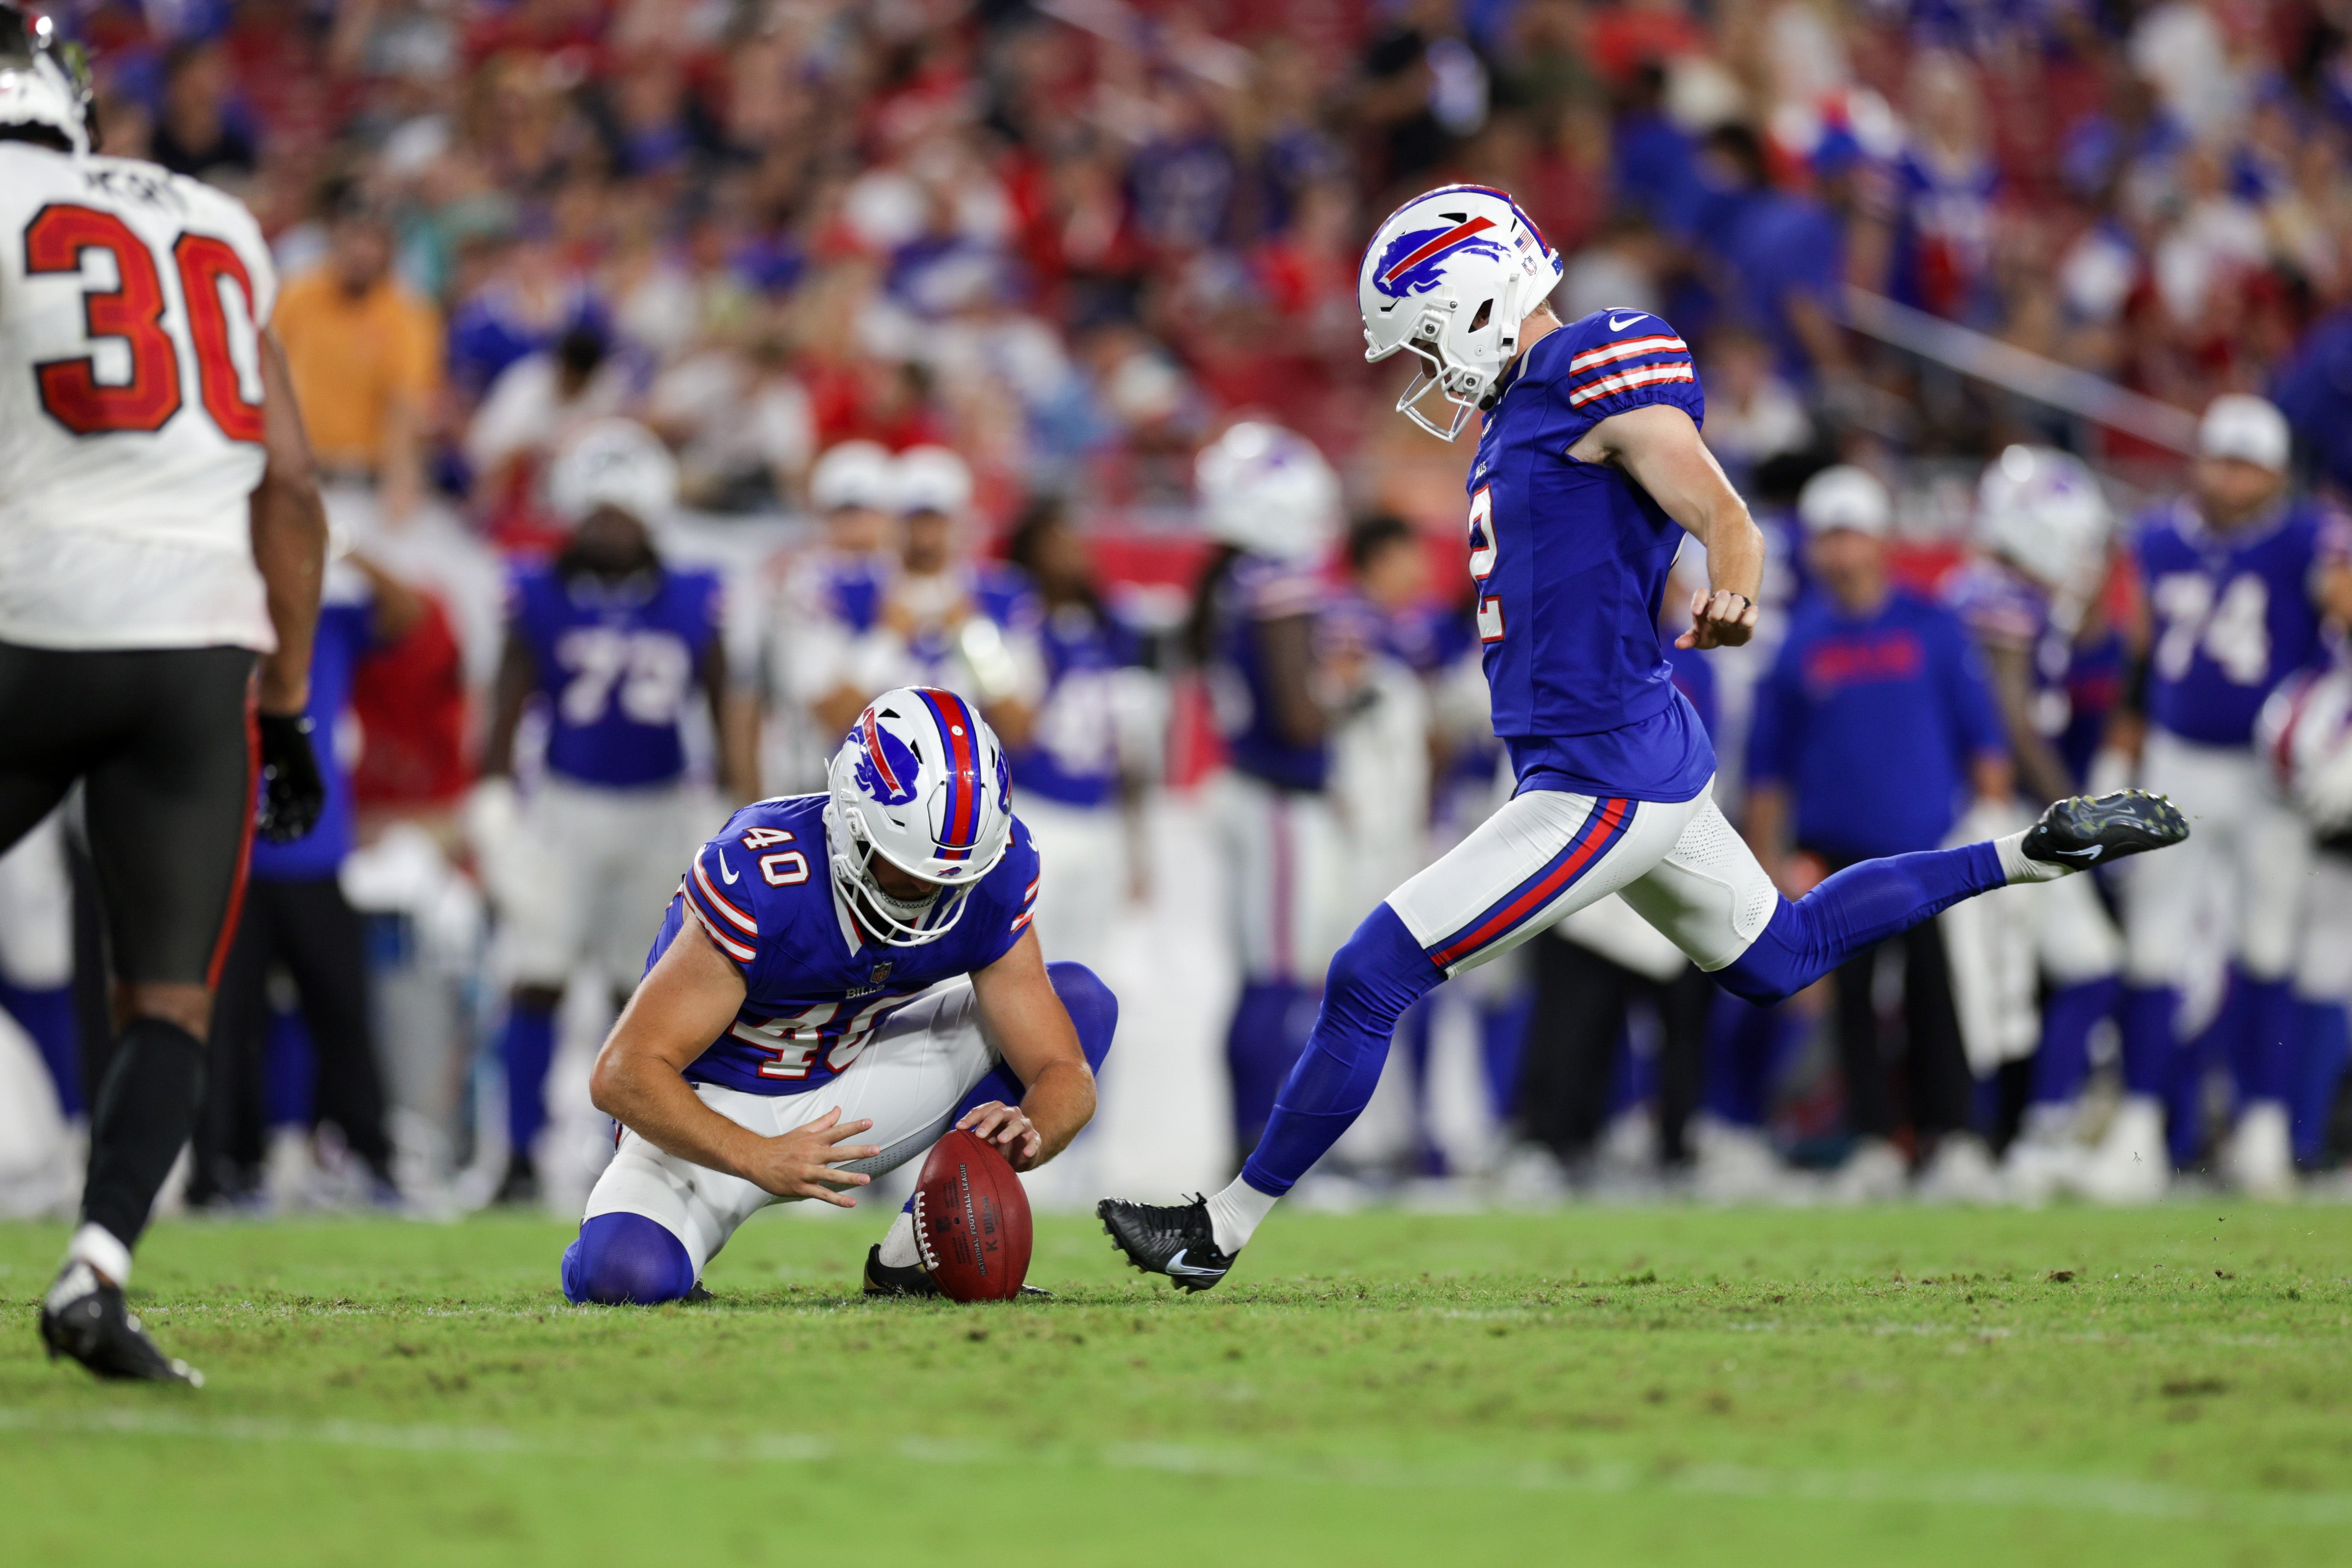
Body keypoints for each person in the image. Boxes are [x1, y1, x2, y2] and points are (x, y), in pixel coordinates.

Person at [1099, 183, 2189, 1288]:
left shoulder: (1591, 363)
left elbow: (1719, 505)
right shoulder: (1518, 414)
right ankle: (2034, 852)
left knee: (1372, 971)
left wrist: (1737, 582)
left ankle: (1220, 1228)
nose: (1425, 374)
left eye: (1425, 342)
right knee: (1783, 955)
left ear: (1476, 302)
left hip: (1599, 775)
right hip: (1614, 755)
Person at [0, 7, 327, 1381]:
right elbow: (294, 487)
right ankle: (98, 1270)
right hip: (200, 643)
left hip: (30, 616)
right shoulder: (215, 219)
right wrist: (290, 703)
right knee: (169, 1000)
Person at [558, 688, 1112, 1303]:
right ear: (852, 819)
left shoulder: (986, 870)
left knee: (1080, 999)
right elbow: (622, 1072)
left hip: (851, 1085)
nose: (926, 895)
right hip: (715, 1109)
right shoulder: (768, 875)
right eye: (907, 870)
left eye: (949, 877)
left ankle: (914, 1260)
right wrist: (755, 1153)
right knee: (624, 1277)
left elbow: (1062, 1071)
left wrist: (1029, 1130)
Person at [469, 420, 755, 1206]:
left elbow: (725, 703)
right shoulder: (535, 589)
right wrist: (492, 796)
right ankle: (518, 1156)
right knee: (536, 976)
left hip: (663, 808)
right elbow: (507, 696)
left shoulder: (698, 593)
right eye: (595, 511)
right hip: (563, 806)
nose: (607, 527)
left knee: (648, 993)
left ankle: (623, 1154)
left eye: (622, 513)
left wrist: (741, 809)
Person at [2087, 395, 2352, 1200]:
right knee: (2153, 944)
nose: (2229, 478)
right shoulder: (2160, 538)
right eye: (2220, 459)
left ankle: (2266, 1127)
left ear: (2275, 474)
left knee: (2268, 943)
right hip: (2176, 756)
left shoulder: (2310, 536)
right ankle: (2138, 1128)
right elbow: (2139, 654)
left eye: (2246, 465)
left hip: (2269, 772)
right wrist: (2118, 748)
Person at [1745, 465, 2013, 1201]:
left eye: (1849, 533)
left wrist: (1990, 828)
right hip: (1836, 855)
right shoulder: (1798, 643)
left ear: (1879, 539)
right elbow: (1766, 770)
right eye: (1826, 536)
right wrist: (1767, 865)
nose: (1838, 551)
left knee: (1942, 997)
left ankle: (1954, 1135)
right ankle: (1872, 1140)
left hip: (1931, 852)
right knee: (1851, 1010)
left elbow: (1982, 741)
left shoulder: (1931, 625)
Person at [193, 552, 426, 1209]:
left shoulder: (329, 619)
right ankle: (225, 1171)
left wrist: (344, 548)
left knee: (343, 1017)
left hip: (315, 857)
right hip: (229, 857)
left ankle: (369, 1159)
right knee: (230, 1025)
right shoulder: (219, 612)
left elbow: (408, 613)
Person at [1939, 447, 2130, 1200]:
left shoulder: (2010, 592)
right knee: (1996, 989)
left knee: (2070, 968)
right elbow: (2014, 724)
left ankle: (2032, 1134)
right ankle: (1983, 1142)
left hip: (2001, 811)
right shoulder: (1995, 595)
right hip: (1985, 812)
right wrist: (2085, 819)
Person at [1186, 422, 1355, 1162]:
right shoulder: (1272, 581)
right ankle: (1259, 1142)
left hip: (1250, 792)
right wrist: (1352, 695)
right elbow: (1297, 715)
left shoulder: (1229, 580)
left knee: (1267, 975)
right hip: (1276, 795)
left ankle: (1249, 1136)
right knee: (1278, 980)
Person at [998, 500, 1154, 975]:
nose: (1072, 549)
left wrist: (1137, 846)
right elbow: (1013, 726)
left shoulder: (1110, 628)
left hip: (1098, 813)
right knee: (1027, 970)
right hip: (1035, 808)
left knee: (1093, 972)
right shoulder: (1012, 626)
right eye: (1055, 539)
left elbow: (1128, 746)